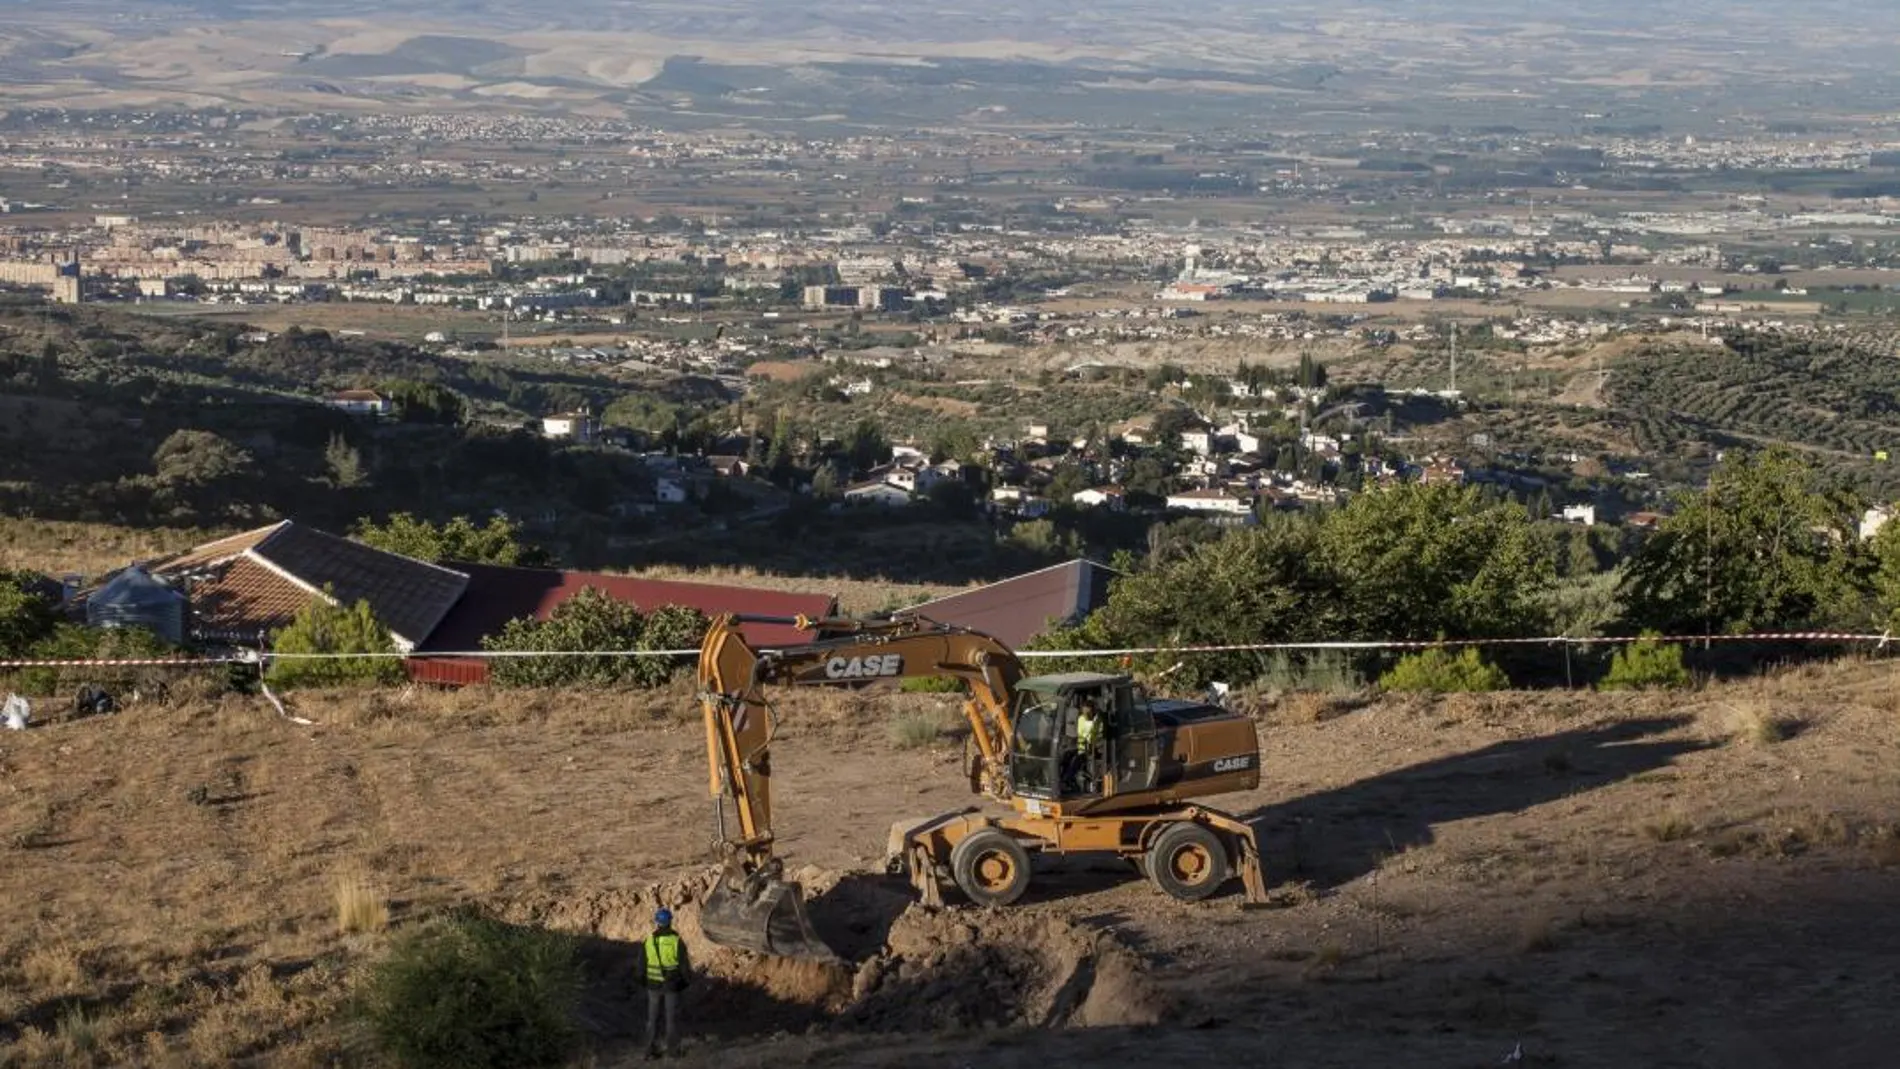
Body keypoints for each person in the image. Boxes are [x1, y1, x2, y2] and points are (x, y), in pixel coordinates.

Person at [642, 908, 692, 1059]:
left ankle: (650, 1051)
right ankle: (673, 1052)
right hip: (671, 986)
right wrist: (685, 983)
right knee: (671, 1019)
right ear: (670, 921)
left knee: (652, 1019)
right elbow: (684, 966)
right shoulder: (676, 941)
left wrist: (644, 981)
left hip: (653, 986)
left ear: (657, 922)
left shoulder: (649, 940)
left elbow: (641, 965)